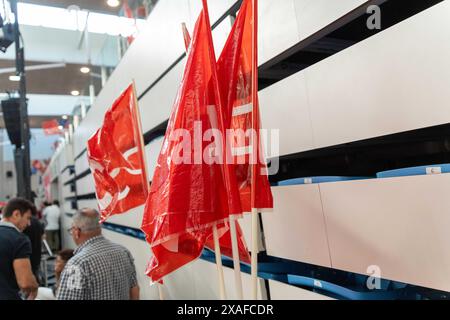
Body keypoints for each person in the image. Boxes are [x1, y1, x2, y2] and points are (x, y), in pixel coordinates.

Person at [57, 208, 139, 300]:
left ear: (77, 232)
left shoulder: (77, 264)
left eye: (72, 229)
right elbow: (134, 290)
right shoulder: (124, 252)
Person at [0, 198, 39, 300]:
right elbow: (25, 282)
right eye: (28, 218)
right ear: (16, 214)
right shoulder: (19, 239)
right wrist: (34, 287)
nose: (29, 223)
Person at [23, 207, 45, 283]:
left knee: (28, 276)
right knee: (35, 273)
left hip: (26, 255)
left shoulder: (24, 222)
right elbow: (43, 236)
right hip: (37, 253)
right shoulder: (37, 221)